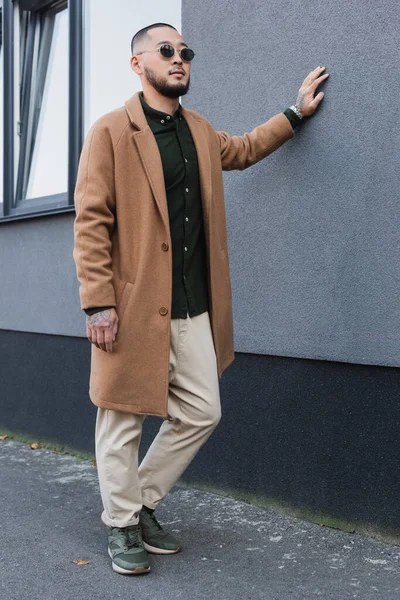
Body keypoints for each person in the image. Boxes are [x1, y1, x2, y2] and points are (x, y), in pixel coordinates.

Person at [73, 22, 329, 576]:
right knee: (121, 420)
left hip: (190, 306)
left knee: (202, 411)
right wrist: (98, 302)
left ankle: (136, 504)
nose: (180, 58)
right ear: (138, 64)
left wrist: (294, 114)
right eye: (167, 51)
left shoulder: (199, 130)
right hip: (131, 306)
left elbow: (241, 150)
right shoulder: (112, 132)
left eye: (185, 51)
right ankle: (122, 525)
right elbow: (91, 220)